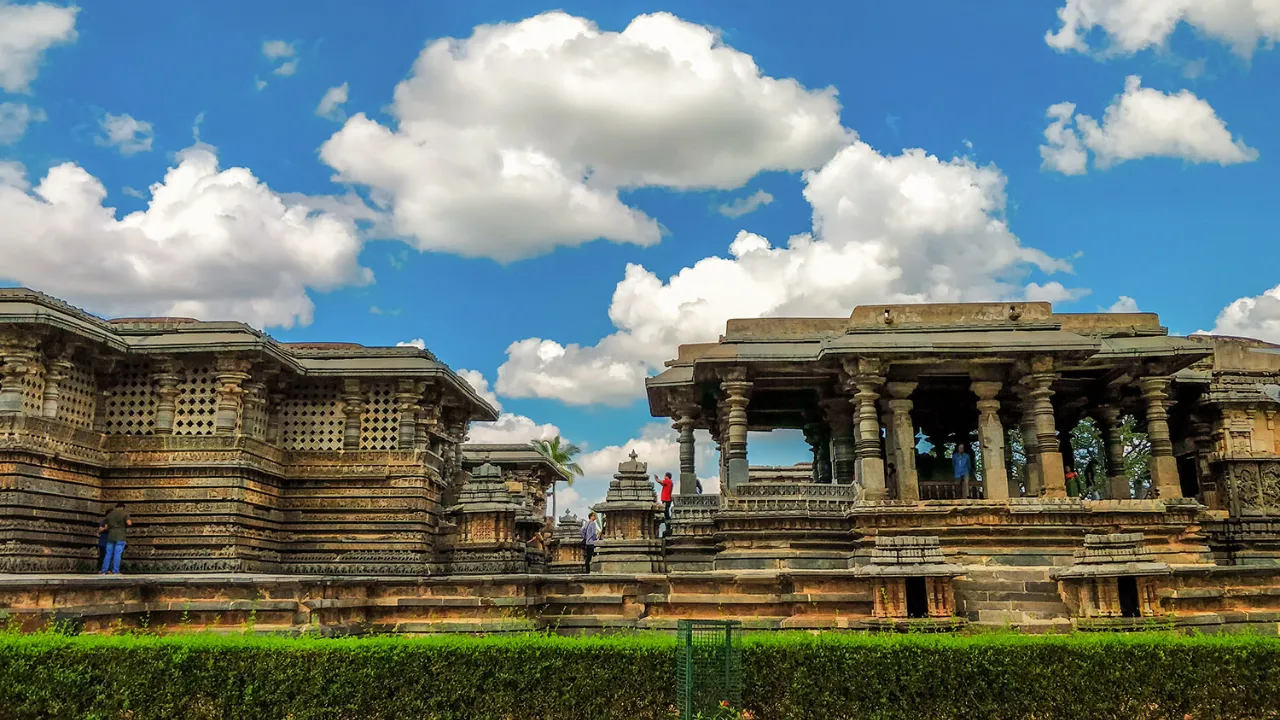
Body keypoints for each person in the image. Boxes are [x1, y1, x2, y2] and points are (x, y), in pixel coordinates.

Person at [99, 503, 131, 575]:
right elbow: (129, 523)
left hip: (111, 536)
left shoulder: (109, 515)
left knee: (108, 553)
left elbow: (106, 527)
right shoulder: (125, 514)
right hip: (120, 536)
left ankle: (104, 570)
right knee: (117, 553)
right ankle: (116, 571)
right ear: (123, 507)